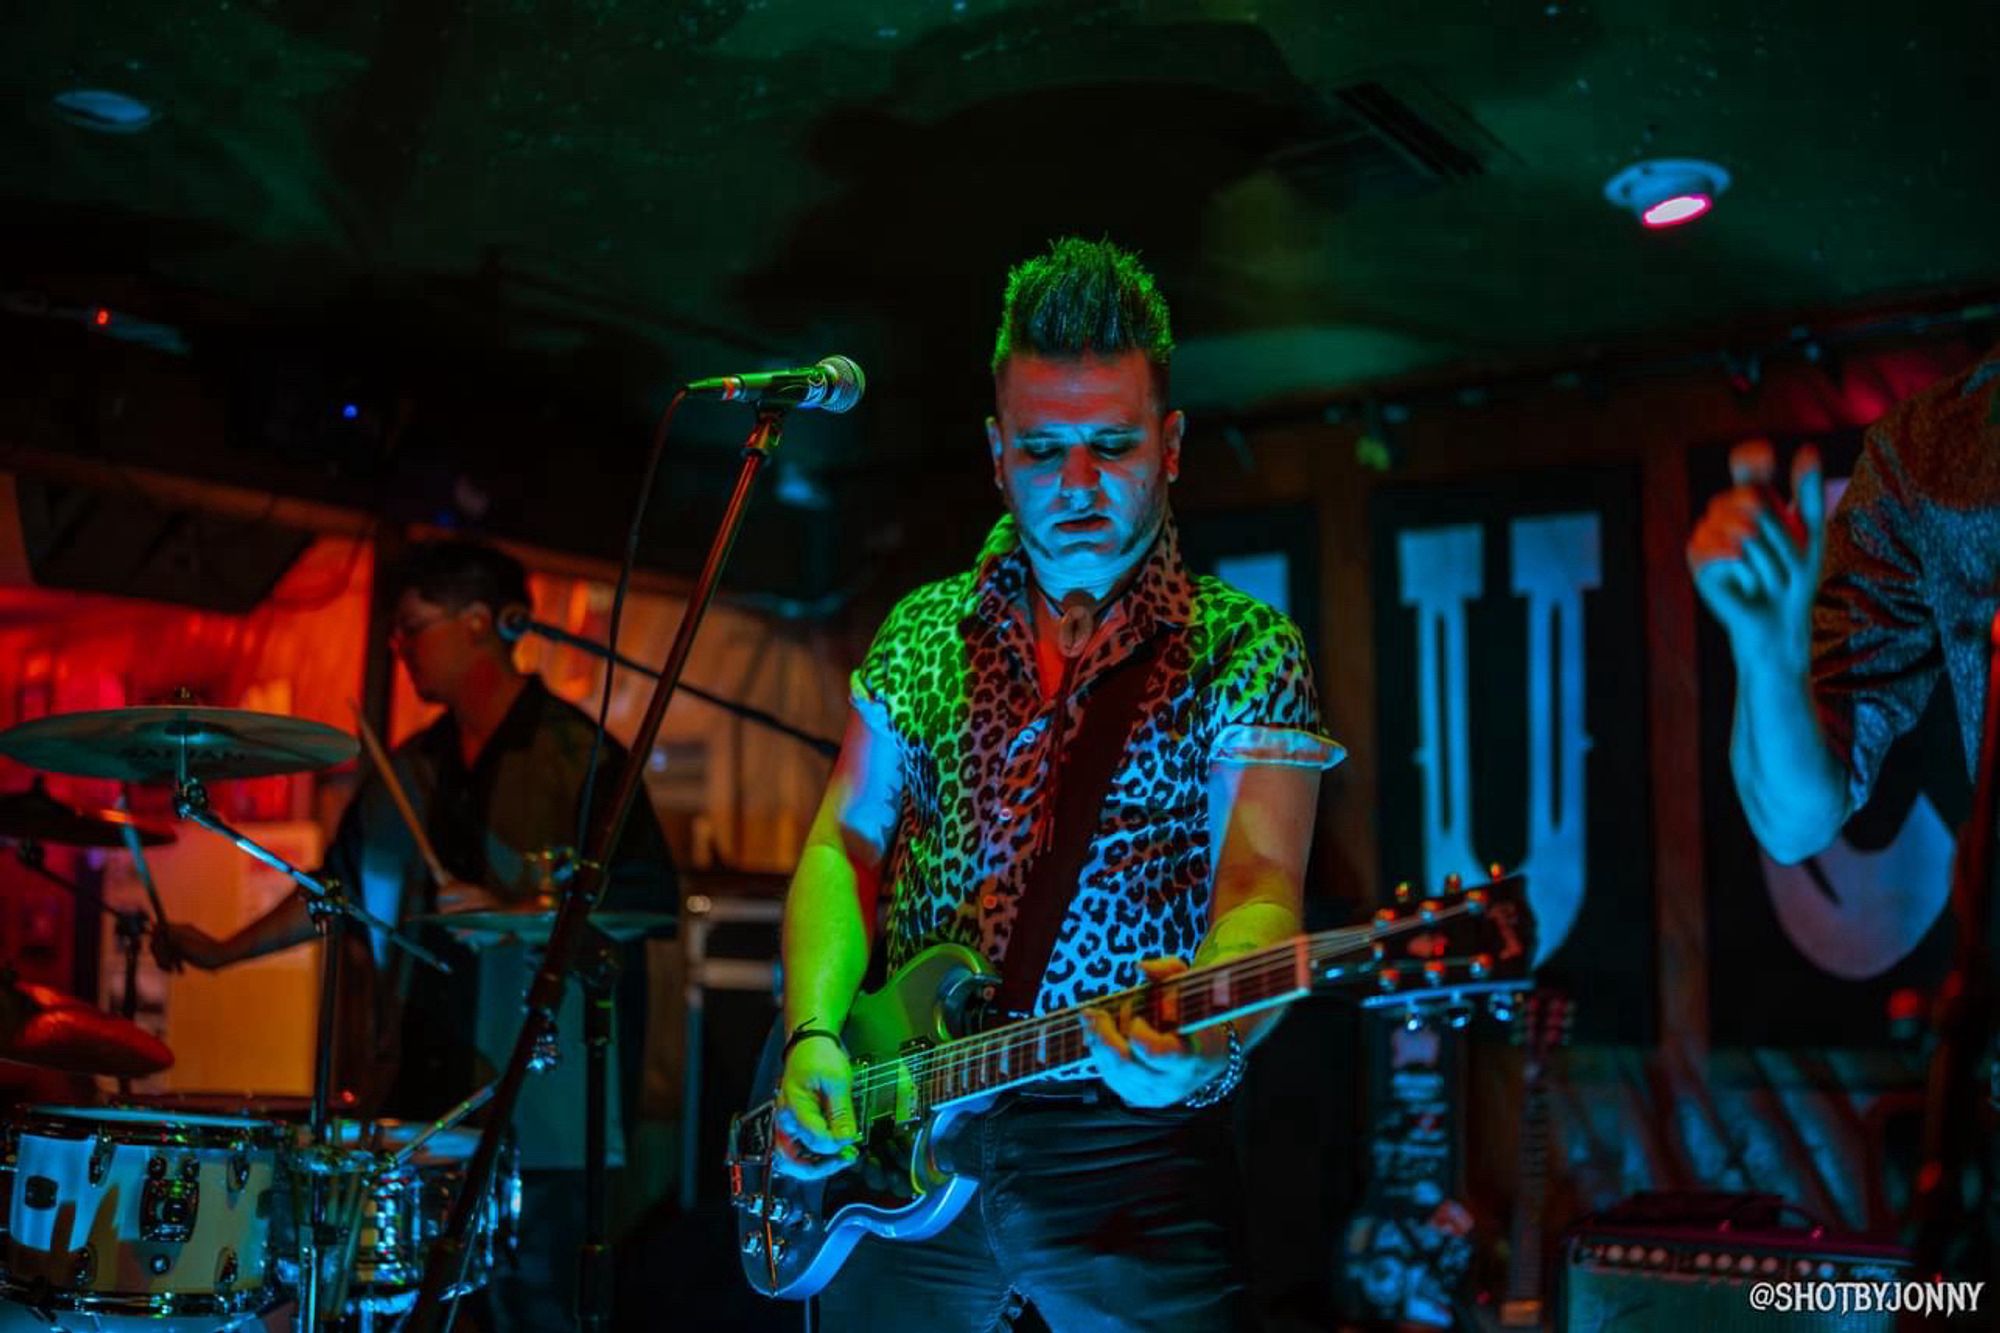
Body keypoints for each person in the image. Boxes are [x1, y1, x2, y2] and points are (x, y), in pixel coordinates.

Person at [772, 237, 1343, 1331]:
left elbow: (1261, 890)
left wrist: (1206, 1042)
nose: (1076, 484)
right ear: (995, 453)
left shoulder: (1240, 648)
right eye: (1042, 451)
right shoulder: (919, 631)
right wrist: (808, 1032)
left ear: (1169, 445)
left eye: (1110, 446)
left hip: (1123, 1139)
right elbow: (838, 843)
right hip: (903, 1125)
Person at [155, 539, 676, 1332]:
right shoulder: (409, 768)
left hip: (543, 1120)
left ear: (479, 623)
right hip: (422, 1112)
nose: (399, 649)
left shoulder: (582, 759)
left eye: (411, 627)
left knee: (535, 1314)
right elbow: (338, 891)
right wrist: (225, 952)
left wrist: (514, 906)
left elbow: (646, 901)